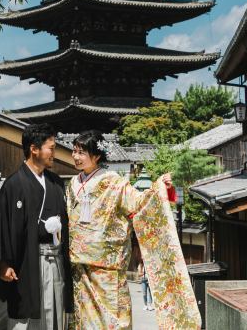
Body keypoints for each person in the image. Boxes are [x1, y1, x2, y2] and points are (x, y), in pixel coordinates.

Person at [67, 130, 200, 330]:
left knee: (112, 317)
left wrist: (159, 188)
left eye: (81, 153)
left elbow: (139, 203)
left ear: (96, 156)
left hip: (107, 264)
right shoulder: (73, 183)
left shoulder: (114, 182)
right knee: (82, 317)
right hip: (78, 262)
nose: (75, 157)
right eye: (74, 151)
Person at [0, 123, 73, 330]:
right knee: (27, 316)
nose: (54, 153)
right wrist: (2, 264)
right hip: (27, 263)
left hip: (56, 259)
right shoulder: (13, 185)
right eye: (50, 148)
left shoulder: (56, 182)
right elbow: (0, 226)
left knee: (56, 317)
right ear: (34, 149)